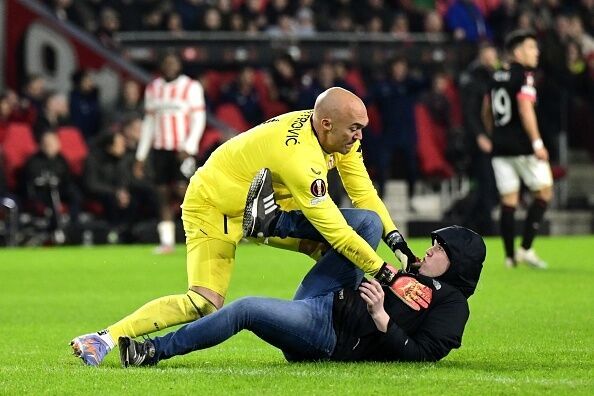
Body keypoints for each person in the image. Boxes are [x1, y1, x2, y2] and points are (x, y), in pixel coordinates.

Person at [70, 87, 417, 366]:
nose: (359, 137)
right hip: (213, 206)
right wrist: (386, 273)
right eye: (354, 129)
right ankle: (104, 338)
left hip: (261, 208)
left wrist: (398, 243)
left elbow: (364, 193)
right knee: (203, 304)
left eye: (361, 129)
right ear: (326, 124)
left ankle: (326, 316)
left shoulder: (337, 136)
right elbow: (338, 230)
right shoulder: (300, 157)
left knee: (364, 227)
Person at [118, 222, 485, 366]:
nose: (431, 249)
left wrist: (381, 317)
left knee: (245, 308)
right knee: (368, 224)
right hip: (330, 294)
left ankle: (152, 351)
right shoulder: (413, 270)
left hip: (328, 334)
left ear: (456, 263)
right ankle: (269, 223)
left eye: (440, 249)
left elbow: (423, 356)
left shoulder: (452, 305)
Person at [482, 30, 553, 269]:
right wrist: (537, 143)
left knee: (509, 201)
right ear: (517, 51)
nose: (536, 52)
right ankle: (526, 249)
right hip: (523, 146)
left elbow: (486, 110)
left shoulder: (496, 76)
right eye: (531, 47)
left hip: (500, 147)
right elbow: (525, 108)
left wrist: (494, 135)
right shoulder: (524, 75)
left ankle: (510, 257)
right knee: (544, 192)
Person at [134, 52, 207, 254]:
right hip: (160, 149)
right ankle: (167, 242)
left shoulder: (191, 87)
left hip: (182, 150)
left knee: (186, 192)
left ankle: (200, 235)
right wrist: (141, 156)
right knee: (162, 193)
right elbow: (149, 123)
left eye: (173, 62)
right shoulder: (153, 88)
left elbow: (198, 119)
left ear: (179, 65)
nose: (170, 66)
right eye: (166, 62)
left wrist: (190, 146)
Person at [458, 42, 500, 235]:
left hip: (492, 139)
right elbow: (470, 113)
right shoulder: (473, 79)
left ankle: (469, 224)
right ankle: (483, 226)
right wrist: (480, 136)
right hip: (478, 142)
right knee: (486, 183)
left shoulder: (493, 78)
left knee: (488, 184)